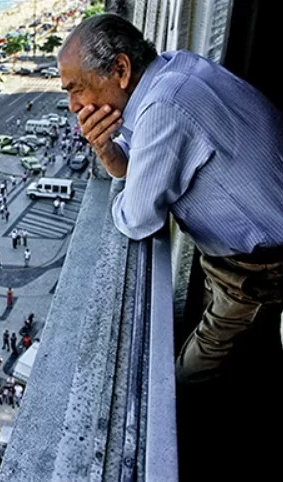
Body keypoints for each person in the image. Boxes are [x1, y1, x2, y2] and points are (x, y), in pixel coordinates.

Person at [59, 13, 283, 385]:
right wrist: (106, 149)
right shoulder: (176, 67)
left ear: (120, 69)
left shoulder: (164, 107)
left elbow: (137, 218)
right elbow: (138, 160)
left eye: (75, 88)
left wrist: (121, 199)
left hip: (260, 271)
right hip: (246, 256)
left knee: (186, 379)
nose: (72, 105)